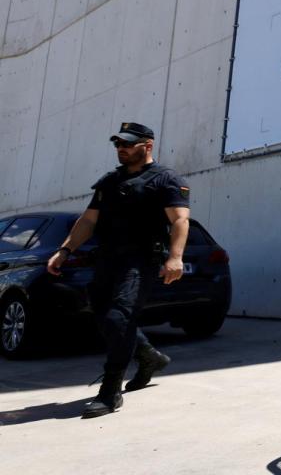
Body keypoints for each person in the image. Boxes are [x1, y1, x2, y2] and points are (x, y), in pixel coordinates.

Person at [47, 122, 190, 419]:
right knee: (104, 317)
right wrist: (64, 250)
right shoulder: (110, 182)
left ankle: (110, 392)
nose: (121, 149)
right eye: (118, 144)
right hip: (107, 260)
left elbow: (179, 220)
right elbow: (88, 221)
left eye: (127, 144)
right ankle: (149, 356)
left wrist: (175, 257)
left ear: (147, 146)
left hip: (140, 261)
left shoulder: (165, 180)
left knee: (118, 318)